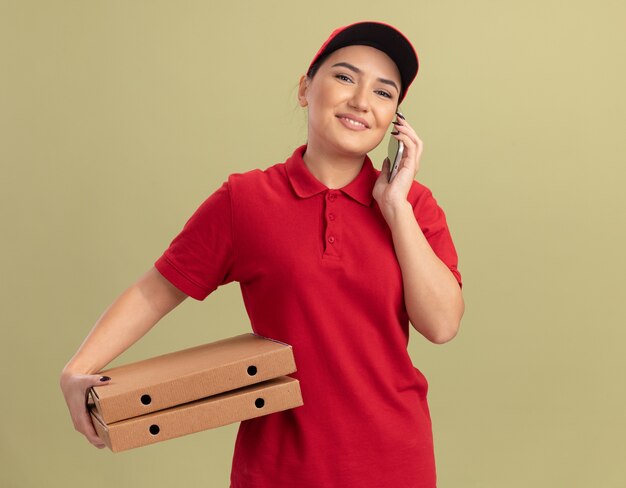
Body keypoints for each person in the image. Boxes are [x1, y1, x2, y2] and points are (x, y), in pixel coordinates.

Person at [60, 21, 464, 488]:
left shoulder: (415, 206)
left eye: (383, 92)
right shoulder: (246, 200)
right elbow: (156, 291)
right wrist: (78, 368)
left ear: (395, 117)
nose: (361, 101)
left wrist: (395, 208)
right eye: (345, 77)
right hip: (277, 467)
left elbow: (441, 325)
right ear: (305, 88)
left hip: (394, 461)